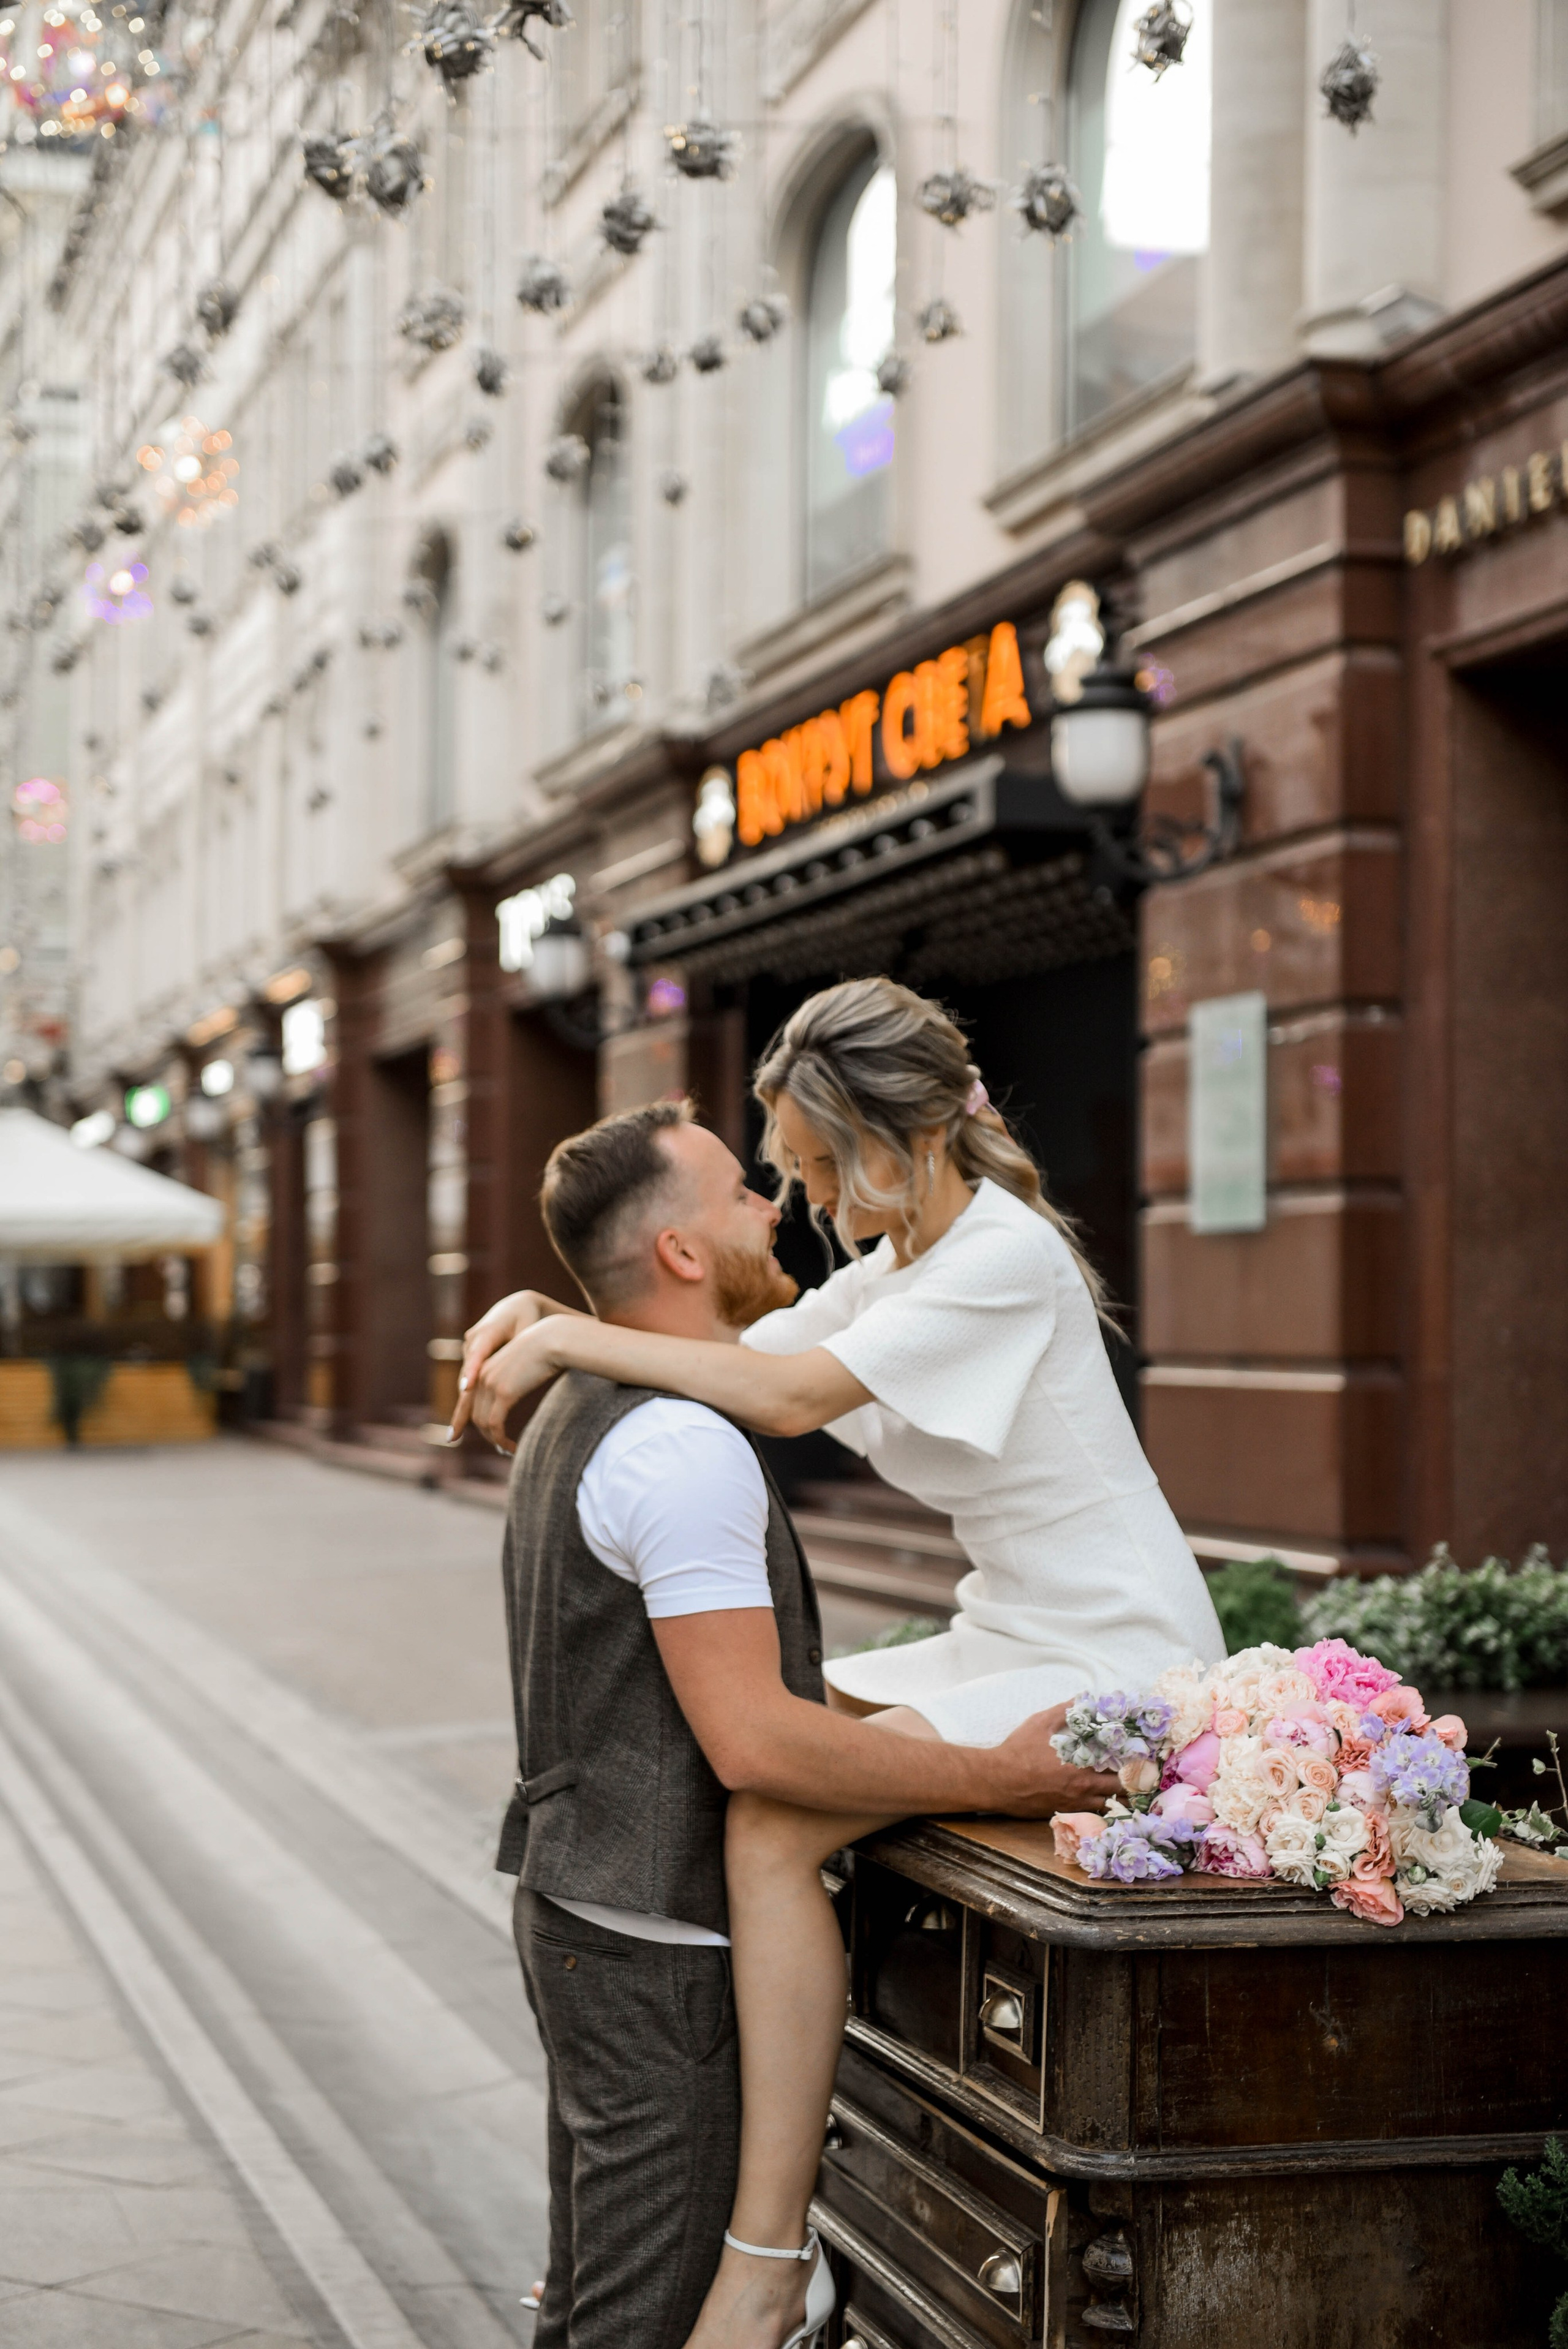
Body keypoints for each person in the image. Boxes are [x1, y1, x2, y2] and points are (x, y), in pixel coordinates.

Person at [494, 1092, 1118, 2349]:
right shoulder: (680, 1448)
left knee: (590, 2297)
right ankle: (773, 2275)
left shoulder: (581, 1408)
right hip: (663, 1949)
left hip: (583, 1900)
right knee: (643, 2317)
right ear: (679, 1252)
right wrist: (996, 1775)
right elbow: (757, 1748)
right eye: (740, 1190)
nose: (774, 1202)